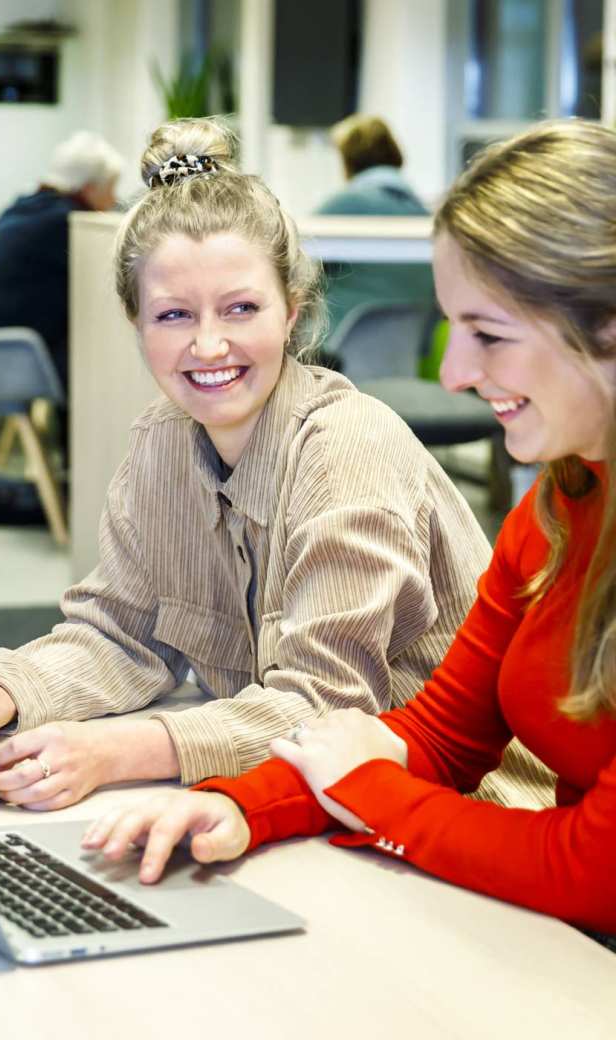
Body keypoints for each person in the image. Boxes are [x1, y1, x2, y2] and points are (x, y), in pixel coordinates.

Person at [0, 117, 551, 813]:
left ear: (291, 312)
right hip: (305, 805)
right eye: (174, 315)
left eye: (241, 308)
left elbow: (323, 707)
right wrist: (8, 693)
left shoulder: (346, 449)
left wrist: (118, 752)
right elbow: (121, 631)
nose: (209, 345)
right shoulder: (161, 442)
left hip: (459, 813)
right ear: (137, 327)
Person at [83, 120, 616, 941]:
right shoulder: (563, 502)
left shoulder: (352, 444)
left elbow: (592, 868)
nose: (453, 375)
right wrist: (240, 806)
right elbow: (439, 735)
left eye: (489, 334)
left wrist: (368, 792)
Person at [0, 130, 123, 396]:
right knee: (101, 355)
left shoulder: (29, 208)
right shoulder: (65, 222)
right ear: (89, 188)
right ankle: (83, 438)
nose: (114, 200)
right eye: (111, 189)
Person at [315, 114, 436, 343]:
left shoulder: (347, 204)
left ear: (347, 160)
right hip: (404, 353)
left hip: (338, 349)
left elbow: (295, 255)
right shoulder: (419, 211)